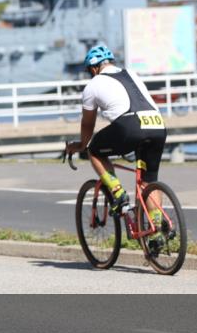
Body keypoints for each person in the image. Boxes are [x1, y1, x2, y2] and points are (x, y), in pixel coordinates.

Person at [65, 45, 167, 226]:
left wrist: (81, 145)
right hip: (157, 125)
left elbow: (88, 124)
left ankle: (118, 193)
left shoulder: (93, 85)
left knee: (94, 149)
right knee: (148, 181)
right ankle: (157, 228)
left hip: (131, 126)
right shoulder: (131, 74)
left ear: (94, 68)